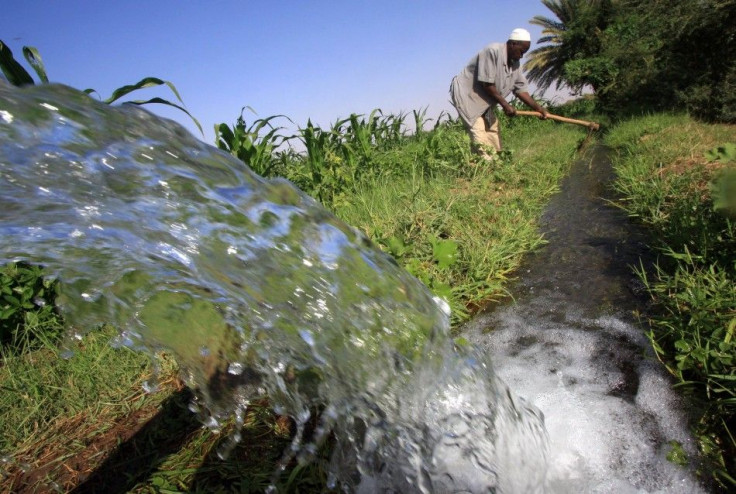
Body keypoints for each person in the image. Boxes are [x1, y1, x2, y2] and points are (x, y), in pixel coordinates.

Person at [450, 28, 548, 160]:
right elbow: (487, 85)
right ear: (513, 44)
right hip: (469, 97)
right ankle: (485, 165)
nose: (521, 56)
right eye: (521, 51)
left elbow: (520, 90)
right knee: (479, 131)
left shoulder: (515, 63)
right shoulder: (492, 51)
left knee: (492, 128)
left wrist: (538, 108)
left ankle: (496, 162)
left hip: (485, 102)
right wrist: (506, 105)